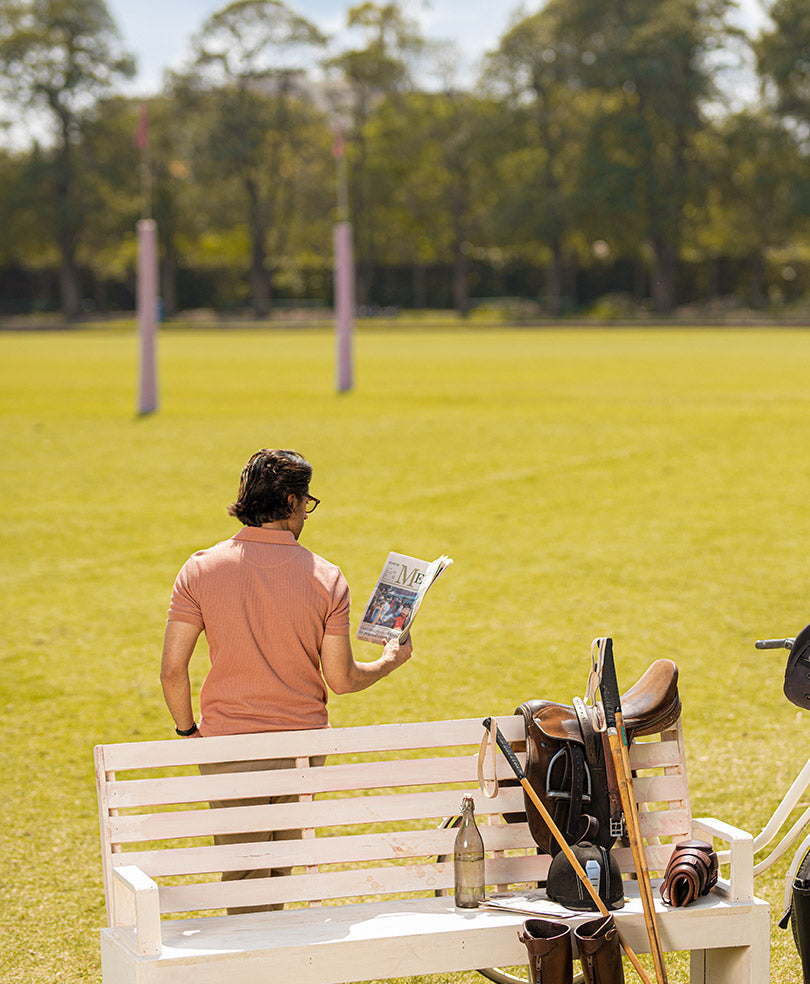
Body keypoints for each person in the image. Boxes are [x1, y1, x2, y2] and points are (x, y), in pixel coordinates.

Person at [159, 447, 413, 911]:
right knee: (281, 869)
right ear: (292, 502)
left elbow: (173, 670)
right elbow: (342, 680)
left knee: (246, 876)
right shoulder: (326, 577)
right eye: (307, 503)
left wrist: (188, 732)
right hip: (302, 747)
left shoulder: (199, 568)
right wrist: (390, 660)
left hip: (227, 745)